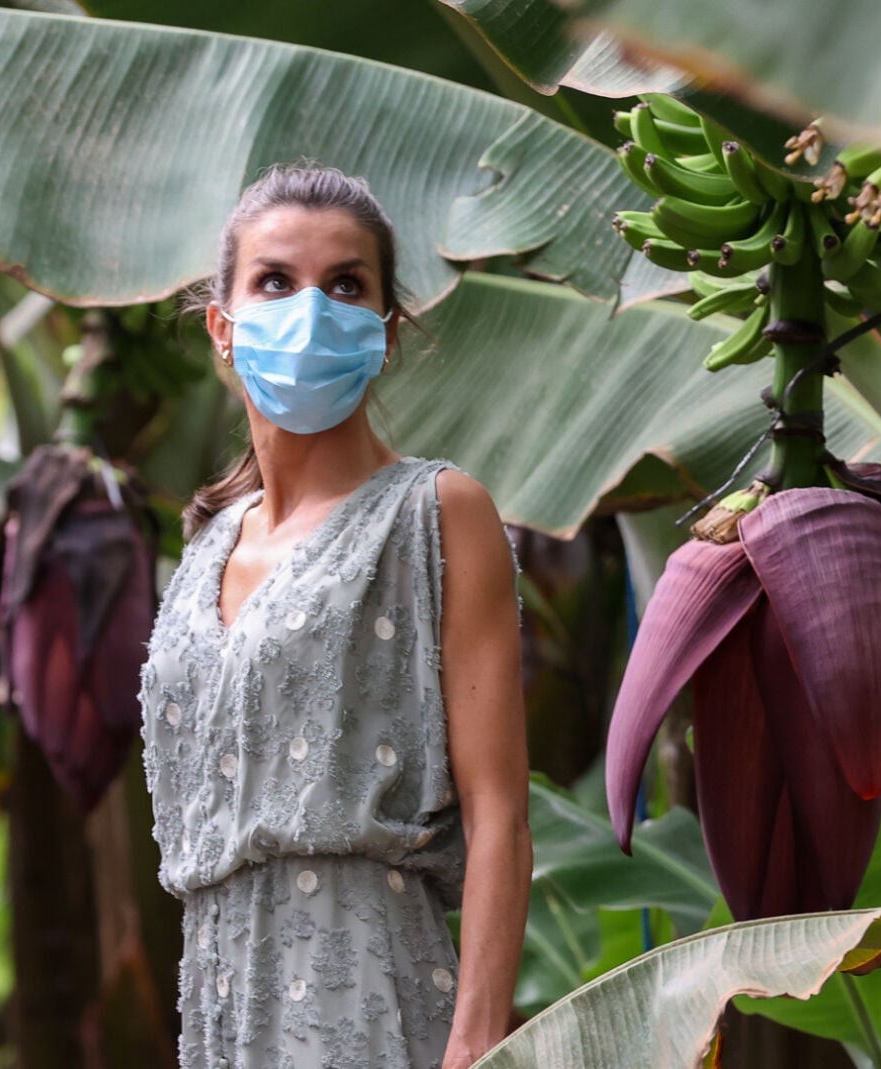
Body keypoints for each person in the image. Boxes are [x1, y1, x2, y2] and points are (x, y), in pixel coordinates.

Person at [137, 164, 531, 1069]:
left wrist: (475, 1043)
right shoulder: (206, 547)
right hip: (221, 1008)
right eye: (276, 280)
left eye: (346, 284)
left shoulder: (438, 513)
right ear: (222, 328)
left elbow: (501, 809)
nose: (311, 308)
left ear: (386, 333)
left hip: (378, 1000)